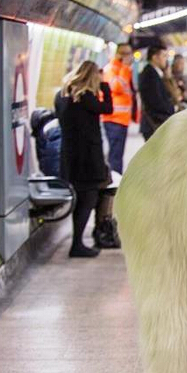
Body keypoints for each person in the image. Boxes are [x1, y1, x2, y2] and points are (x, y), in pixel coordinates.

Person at [55, 61, 113, 258]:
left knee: (85, 196)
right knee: (88, 198)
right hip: (87, 157)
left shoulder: (62, 95)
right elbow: (108, 108)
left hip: (70, 155)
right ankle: (78, 243)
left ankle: (84, 238)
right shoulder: (86, 97)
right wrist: (106, 88)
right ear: (92, 76)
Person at [101, 43, 135, 174]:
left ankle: (116, 177)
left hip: (121, 119)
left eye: (129, 53)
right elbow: (116, 87)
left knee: (118, 153)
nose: (129, 57)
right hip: (113, 118)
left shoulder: (122, 69)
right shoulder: (111, 69)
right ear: (118, 54)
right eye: (126, 53)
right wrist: (124, 68)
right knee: (115, 155)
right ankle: (114, 181)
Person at [138, 45, 176, 141]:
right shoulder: (150, 75)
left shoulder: (153, 73)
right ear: (155, 57)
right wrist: (172, 109)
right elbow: (156, 101)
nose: (166, 59)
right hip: (153, 124)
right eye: (164, 56)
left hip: (155, 124)